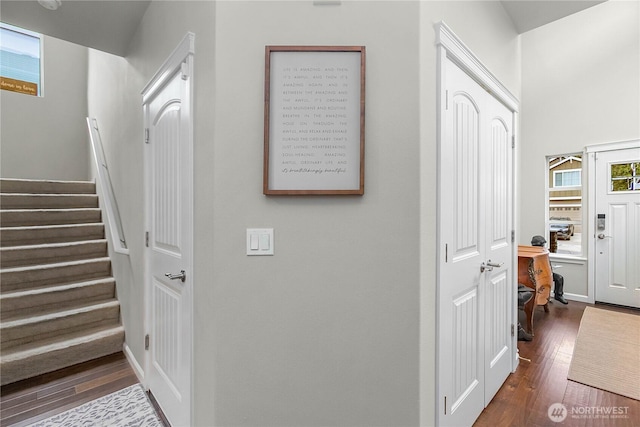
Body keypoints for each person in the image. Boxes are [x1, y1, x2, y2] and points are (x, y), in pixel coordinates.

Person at [531, 235, 568, 304]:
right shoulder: (531, 254)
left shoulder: (544, 253)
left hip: (545, 273)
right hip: (536, 275)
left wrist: (550, 269)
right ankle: (543, 297)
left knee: (559, 278)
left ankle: (558, 295)